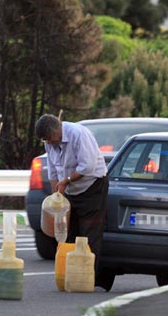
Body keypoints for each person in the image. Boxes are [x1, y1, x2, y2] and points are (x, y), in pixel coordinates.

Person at [35, 114, 109, 290]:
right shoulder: (49, 142)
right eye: (45, 140)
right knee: (70, 232)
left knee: (89, 233)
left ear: (56, 131)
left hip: (92, 185)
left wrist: (66, 180)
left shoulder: (78, 134)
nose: (49, 143)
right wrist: (56, 192)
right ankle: (72, 275)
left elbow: (87, 166)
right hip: (70, 189)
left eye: (49, 138)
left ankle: (91, 279)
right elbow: (53, 170)